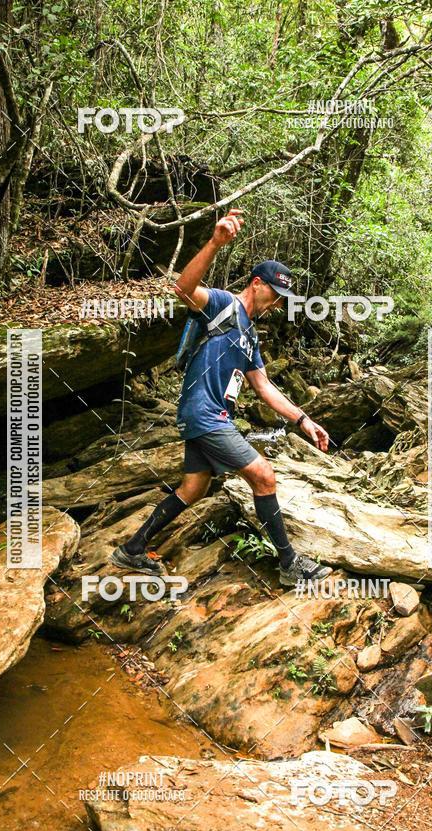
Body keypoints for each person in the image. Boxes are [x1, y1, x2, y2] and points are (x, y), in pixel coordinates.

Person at [111, 208, 331, 587]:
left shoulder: (252, 338)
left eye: (283, 299)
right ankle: (289, 564)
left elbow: (264, 388)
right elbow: (182, 289)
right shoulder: (222, 303)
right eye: (274, 294)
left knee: (193, 489)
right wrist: (215, 243)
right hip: (204, 413)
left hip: (211, 418)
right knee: (263, 475)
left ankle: (132, 549)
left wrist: (303, 420)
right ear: (257, 283)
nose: (277, 304)